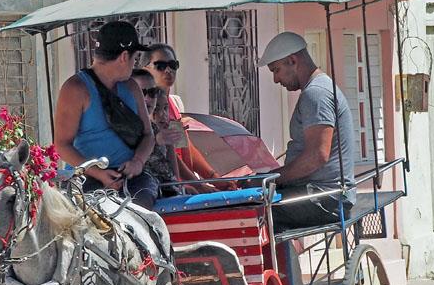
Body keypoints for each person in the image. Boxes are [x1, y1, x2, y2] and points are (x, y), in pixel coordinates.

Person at [54, 21, 158, 210]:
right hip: (86, 180)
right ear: (124, 57)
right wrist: (98, 173)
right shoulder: (75, 89)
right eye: (135, 58)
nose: (135, 64)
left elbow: (148, 135)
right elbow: (62, 145)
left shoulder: (132, 87)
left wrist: (137, 162)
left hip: (131, 179)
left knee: (141, 215)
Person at [259, 31, 356, 230]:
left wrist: (271, 179)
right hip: (321, 192)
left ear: (292, 61)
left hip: (325, 198)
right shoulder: (318, 89)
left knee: (253, 212)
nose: (276, 79)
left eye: (276, 70)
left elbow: (317, 156)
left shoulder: (316, 94)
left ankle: (277, 262)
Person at [142, 44, 236, 192]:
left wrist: (213, 177)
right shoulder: (146, 106)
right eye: (160, 65)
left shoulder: (173, 103)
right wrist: (197, 185)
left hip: (185, 185)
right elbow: (167, 152)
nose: (168, 71)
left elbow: (182, 144)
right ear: (145, 68)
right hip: (165, 186)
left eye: (173, 65)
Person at [131, 68, 181, 195]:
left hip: (167, 192)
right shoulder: (122, 128)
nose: (148, 98)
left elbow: (174, 176)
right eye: (142, 93)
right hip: (141, 193)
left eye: (152, 92)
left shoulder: (157, 129)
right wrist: (156, 140)